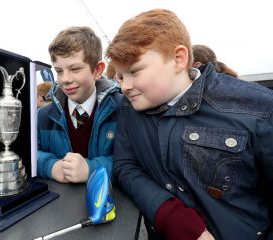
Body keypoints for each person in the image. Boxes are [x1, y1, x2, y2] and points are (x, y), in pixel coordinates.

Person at [106, 9, 272, 240]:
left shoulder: (258, 109)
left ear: (178, 59)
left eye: (134, 72)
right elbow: (125, 165)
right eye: (120, 77)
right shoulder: (128, 108)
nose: (125, 86)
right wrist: (166, 213)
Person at [37, 26, 122, 183]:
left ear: (98, 70)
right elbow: (29, 153)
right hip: (59, 205)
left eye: (75, 69)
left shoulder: (123, 109)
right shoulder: (42, 116)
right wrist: (50, 166)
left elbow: (133, 161)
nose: (65, 79)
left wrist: (92, 169)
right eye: (59, 71)